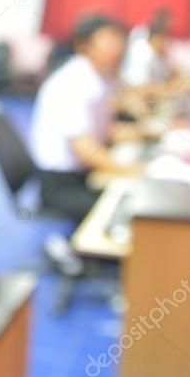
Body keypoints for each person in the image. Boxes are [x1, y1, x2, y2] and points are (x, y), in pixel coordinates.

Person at [30, 14, 141, 222]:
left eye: (120, 40)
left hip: (85, 175)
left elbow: (103, 127)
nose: (118, 48)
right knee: (131, 211)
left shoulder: (101, 77)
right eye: (109, 41)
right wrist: (137, 171)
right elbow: (85, 150)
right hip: (62, 186)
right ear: (84, 46)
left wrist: (147, 133)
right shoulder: (73, 83)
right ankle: (84, 254)